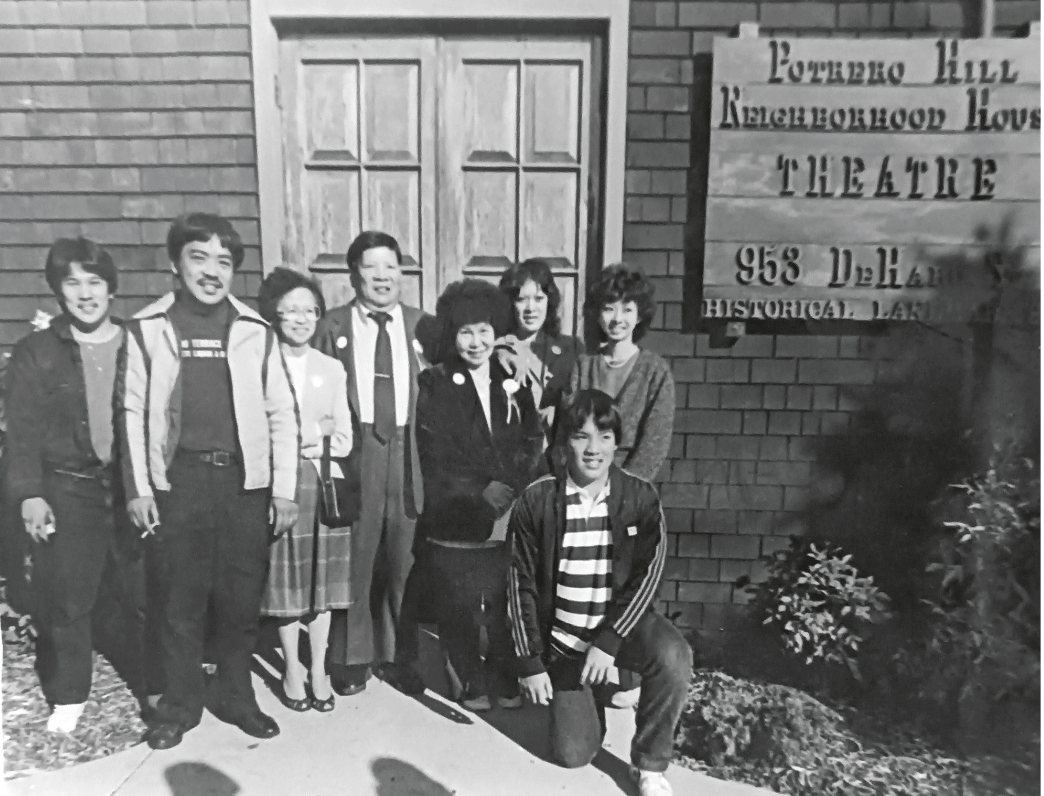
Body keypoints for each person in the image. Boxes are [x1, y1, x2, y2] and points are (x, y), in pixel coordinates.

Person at [119, 213, 299, 750]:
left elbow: (281, 413)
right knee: (180, 601)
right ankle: (180, 705)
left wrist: (284, 488)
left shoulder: (253, 330)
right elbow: (130, 411)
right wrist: (139, 489)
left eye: (224, 261)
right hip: (179, 483)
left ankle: (237, 698)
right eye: (200, 257)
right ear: (176, 264)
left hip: (244, 485)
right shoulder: (148, 329)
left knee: (241, 601)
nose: (212, 271)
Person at [507, 390, 691, 796]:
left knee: (673, 656)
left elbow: (649, 575)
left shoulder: (640, 498)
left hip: (619, 634)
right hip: (566, 642)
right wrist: (531, 663)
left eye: (605, 437)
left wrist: (609, 643)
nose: (594, 449)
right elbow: (517, 583)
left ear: (616, 442)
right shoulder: (538, 500)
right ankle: (591, 695)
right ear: (562, 443)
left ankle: (649, 764)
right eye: (581, 436)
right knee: (574, 754)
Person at [6, 238, 149, 734]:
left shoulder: (139, 344)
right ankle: (70, 694)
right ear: (57, 291)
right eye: (73, 283)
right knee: (70, 596)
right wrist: (29, 493)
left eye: (95, 282)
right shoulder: (37, 351)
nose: (86, 294)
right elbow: (21, 429)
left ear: (111, 288)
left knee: (141, 590)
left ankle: (151, 683)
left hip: (132, 485)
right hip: (69, 487)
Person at [412, 279, 545, 710]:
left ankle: (504, 675)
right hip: (459, 512)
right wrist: (478, 489)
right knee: (461, 603)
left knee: (503, 600)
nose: (476, 342)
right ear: (453, 334)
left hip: (507, 511)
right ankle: (470, 677)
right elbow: (435, 450)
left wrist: (514, 487)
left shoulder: (511, 379)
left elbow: (532, 439)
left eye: (484, 331)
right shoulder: (435, 383)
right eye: (466, 332)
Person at [313, 231, 431, 696]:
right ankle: (350, 657)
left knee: (405, 560)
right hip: (357, 446)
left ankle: (401, 657)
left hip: (408, 450)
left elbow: (471, 353)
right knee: (356, 558)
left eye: (391, 267)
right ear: (353, 274)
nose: (383, 277)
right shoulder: (333, 326)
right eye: (371, 267)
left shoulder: (425, 327)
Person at [562, 265, 676, 708]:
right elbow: (569, 432)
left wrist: (620, 495)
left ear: (639, 314)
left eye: (627, 309)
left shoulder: (655, 371)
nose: (617, 318)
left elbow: (655, 443)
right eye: (610, 308)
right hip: (583, 486)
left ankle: (625, 673)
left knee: (624, 580)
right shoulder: (585, 365)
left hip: (629, 494)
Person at [257, 268, 354, 713]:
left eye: (309, 311)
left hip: (321, 481)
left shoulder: (330, 369)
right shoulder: (260, 364)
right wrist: (316, 430)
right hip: (278, 483)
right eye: (291, 310)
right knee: (288, 582)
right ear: (275, 313)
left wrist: (301, 436)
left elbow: (346, 436)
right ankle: (291, 668)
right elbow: (258, 430)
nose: (300, 319)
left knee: (322, 583)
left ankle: (318, 667)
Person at [496, 258, 584, 446]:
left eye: (539, 298)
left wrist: (559, 413)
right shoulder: (494, 349)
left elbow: (582, 403)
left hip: (555, 456)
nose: (530, 308)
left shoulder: (572, 349)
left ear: (549, 301)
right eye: (521, 299)